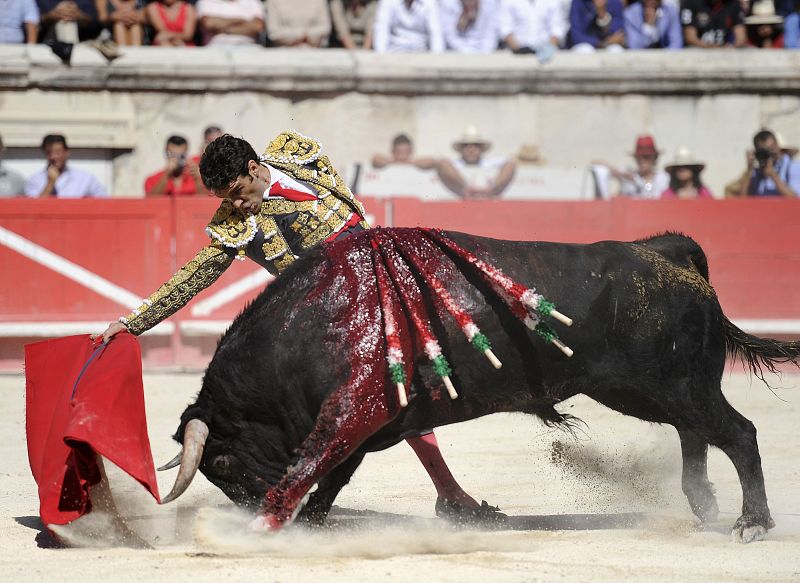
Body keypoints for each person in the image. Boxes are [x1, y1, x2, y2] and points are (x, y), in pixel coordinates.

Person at [97, 131, 503, 521]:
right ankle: (438, 489)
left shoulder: (296, 150)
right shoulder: (234, 224)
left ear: (254, 168)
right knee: (386, 387)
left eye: (238, 194)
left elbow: (345, 202)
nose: (236, 207)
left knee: (416, 377)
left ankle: (445, 490)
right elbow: (193, 276)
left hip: (378, 274)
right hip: (332, 317)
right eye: (226, 200)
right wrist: (133, 323)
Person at [437, 125, 516, 199]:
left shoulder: (489, 163)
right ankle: (468, 190)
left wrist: (492, 188)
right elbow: (440, 162)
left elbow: (510, 163)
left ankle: (486, 192)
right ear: (461, 149)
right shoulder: (454, 164)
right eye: (466, 146)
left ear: (481, 148)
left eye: (475, 145)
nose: (471, 150)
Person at [24, 134, 108, 198]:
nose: (54, 157)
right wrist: (50, 183)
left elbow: (104, 200)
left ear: (67, 152)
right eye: (49, 153)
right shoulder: (35, 180)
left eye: (58, 152)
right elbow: (34, 209)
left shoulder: (85, 178)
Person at [593, 135, 669, 199]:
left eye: (646, 157)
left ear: (654, 158)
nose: (642, 160)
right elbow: (596, 163)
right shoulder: (629, 176)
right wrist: (620, 173)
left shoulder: (663, 178)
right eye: (639, 157)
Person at [729, 128, 800, 197]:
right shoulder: (756, 172)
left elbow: (795, 198)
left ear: (777, 145)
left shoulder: (793, 167)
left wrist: (773, 176)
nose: (771, 153)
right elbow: (743, 199)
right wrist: (749, 169)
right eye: (765, 151)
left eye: (772, 148)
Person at [499, 0, 567, 61]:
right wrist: (519, 50)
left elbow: (557, 29)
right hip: (516, 54)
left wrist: (547, 49)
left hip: (545, 55)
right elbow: (505, 29)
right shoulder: (507, 1)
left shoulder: (554, 1)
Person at [373, 0, 445, 52]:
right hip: (394, 52)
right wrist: (381, 58)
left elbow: (435, 33)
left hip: (422, 53)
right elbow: (381, 29)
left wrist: (436, 60)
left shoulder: (430, 3)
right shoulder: (387, 2)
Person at [265, 0, 332, 47]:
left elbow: (325, 27)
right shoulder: (273, 1)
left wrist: (306, 35)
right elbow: (273, 32)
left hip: (315, 53)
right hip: (283, 55)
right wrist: (302, 35)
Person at [195, 0, 264, 46]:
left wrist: (225, 30)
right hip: (214, 47)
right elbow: (208, 23)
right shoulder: (206, 1)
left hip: (249, 47)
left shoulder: (253, 2)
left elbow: (257, 26)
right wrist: (239, 20)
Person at [681, 0, 747, 47]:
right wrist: (714, 48)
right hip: (698, 49)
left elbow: (741, 38)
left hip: (725, 49)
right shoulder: (689, 2)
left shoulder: (733, 3)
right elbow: (690, 38)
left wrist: (731, 48)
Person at [371, 133, 437, 169]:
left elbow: (431, 161)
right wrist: (394, 164)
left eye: (405, 152)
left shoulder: (415, 164)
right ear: (392, 151)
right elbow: (375, 158)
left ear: (411, 151)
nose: (402, 156)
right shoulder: (388, 164)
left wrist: (409, 164)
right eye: (399, 153)